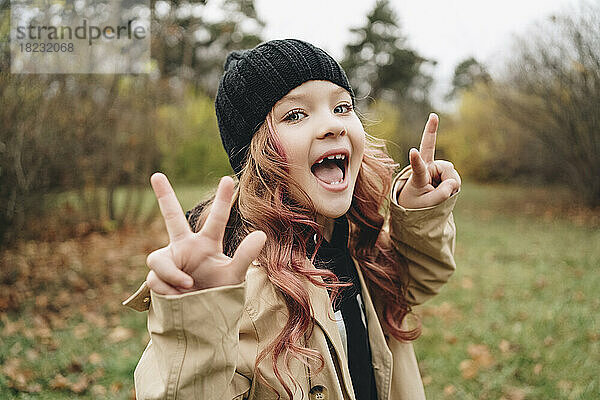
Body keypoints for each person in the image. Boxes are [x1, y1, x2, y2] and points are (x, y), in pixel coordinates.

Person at [123, 39, 461, 400]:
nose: (332, 125)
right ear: (258, 154)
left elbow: (419, 280)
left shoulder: (356, 242)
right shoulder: (243, 290)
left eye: (342, 107)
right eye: (295, 114)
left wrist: (419, 214)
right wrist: (197, 320)